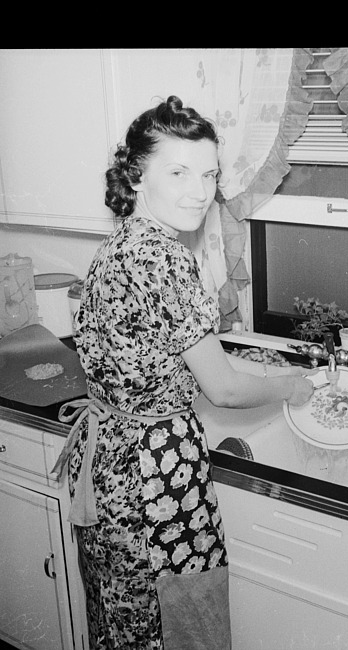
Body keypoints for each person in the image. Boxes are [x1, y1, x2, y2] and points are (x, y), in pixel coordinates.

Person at [51, 95, 314, 650]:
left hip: (109, 467)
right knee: (177, 625)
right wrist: (291, 386)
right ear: (136, 175)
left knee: (125, 625)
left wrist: (258, 366)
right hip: (155, 477)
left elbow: (183, 358)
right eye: (179, 171)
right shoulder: (168, 259)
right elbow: (220, 387)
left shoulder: (122, 245)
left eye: (210, 173)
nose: (200, 190)